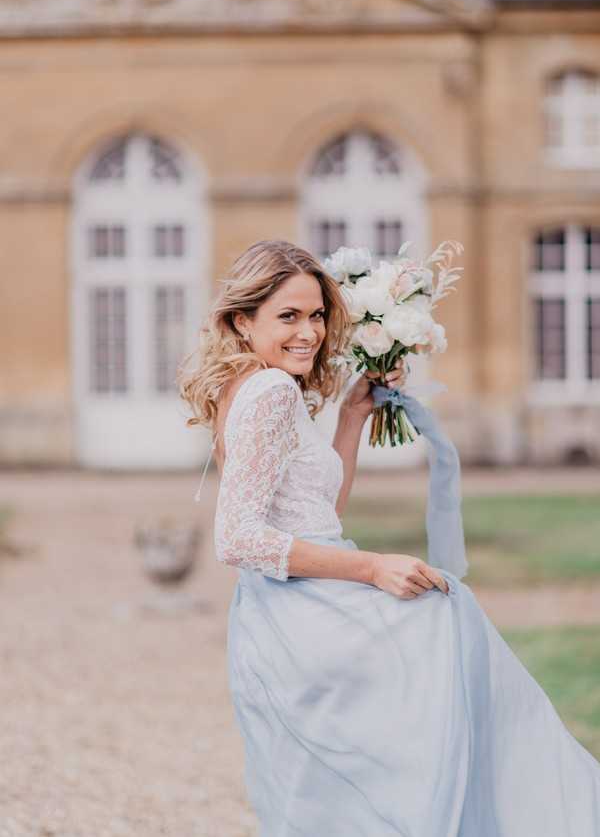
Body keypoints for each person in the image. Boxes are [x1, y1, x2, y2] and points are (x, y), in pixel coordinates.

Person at [178, 240, 600, 836]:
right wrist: (374, 568)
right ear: (242, 321)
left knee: (372, 772)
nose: (310, 333)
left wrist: (351, 417)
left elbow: (318, 515)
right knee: (450, 639)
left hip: (278, 612)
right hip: (306, 612)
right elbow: (238, 538)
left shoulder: (254, 386)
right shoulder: (269, 392)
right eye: (288, 317)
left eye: (317, 315)